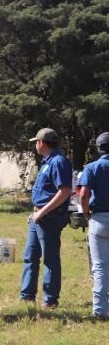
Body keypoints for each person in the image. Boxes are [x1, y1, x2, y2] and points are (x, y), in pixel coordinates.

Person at [20, 128, 72, 309]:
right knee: (30, 256)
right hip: (39, 216)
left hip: (49, 218)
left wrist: (42, 212)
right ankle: (27, 297)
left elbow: (65, 191)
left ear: (41, 143)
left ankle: (50, 300)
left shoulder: (58, 161)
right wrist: (35, 211)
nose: (35, 144)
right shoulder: (47, 161)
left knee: (50, 259)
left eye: (36, 141)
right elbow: (45, 191)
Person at [78, 132, 109, 320]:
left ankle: (99, 311)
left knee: (99, 267)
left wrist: (86, 212)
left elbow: (83, 195)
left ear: (98, 148)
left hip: (98, 220)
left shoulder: (91, 167)